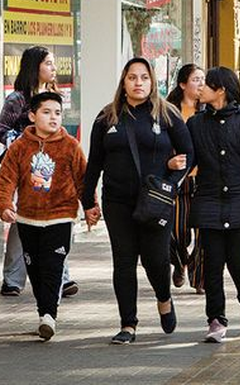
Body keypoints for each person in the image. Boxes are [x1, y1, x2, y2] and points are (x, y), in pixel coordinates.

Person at [82, 58, 194, 345]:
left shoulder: (166, 114)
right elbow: (94, 163)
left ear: (152, 82)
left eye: (144, 78)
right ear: (124, 82)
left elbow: (189, 154)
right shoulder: (106, 118)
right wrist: (88, 201)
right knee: (124, 261)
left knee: (156, 260)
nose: (138, 83)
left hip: (156, 201)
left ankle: (163, 297)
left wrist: (172, 180)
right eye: (132, 77)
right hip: (117, 202)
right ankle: (128, 324)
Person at [188, 67, 240, 343]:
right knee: (212, 264)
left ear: (221, 90)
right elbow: (186, 158)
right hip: (209, 201)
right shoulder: (196, 123)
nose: (200, 89)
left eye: (206, 85)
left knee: (238, 261)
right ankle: (216, 319)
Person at [0, 92, 88, 341]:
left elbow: (83, 180)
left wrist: (90, 207)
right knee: (34, 269)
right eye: (46, 112)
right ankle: (43, 311)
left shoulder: (71, 147)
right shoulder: (19, 148)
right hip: (28, 219)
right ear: (32, 116)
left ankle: (49, 316)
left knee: (53, 267)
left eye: (58, 113)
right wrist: (4, 205)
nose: (53, 118)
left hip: (60, 217)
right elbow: (6, 180)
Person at [0, 46, 77, 298]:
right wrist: (25, 143)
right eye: (49, 63)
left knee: (59, 219)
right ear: (35, 66)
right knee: (22, 222)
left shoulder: (54, 95)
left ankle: (61, 278)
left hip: (55, 165)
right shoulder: (17, 99)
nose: (54, 68)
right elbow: (1, 130)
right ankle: (12, 279)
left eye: (53, 64)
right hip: (25, 169)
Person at [166, 64, 206, 294]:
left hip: (203, 179)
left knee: (204, 232)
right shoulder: (170, 111)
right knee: (177, 231)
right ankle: (181, 260)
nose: (201, 84)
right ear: (183, 84)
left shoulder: (207, 110)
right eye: (195, 79)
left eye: (203, 79)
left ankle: (199, 278)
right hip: (178, 178)